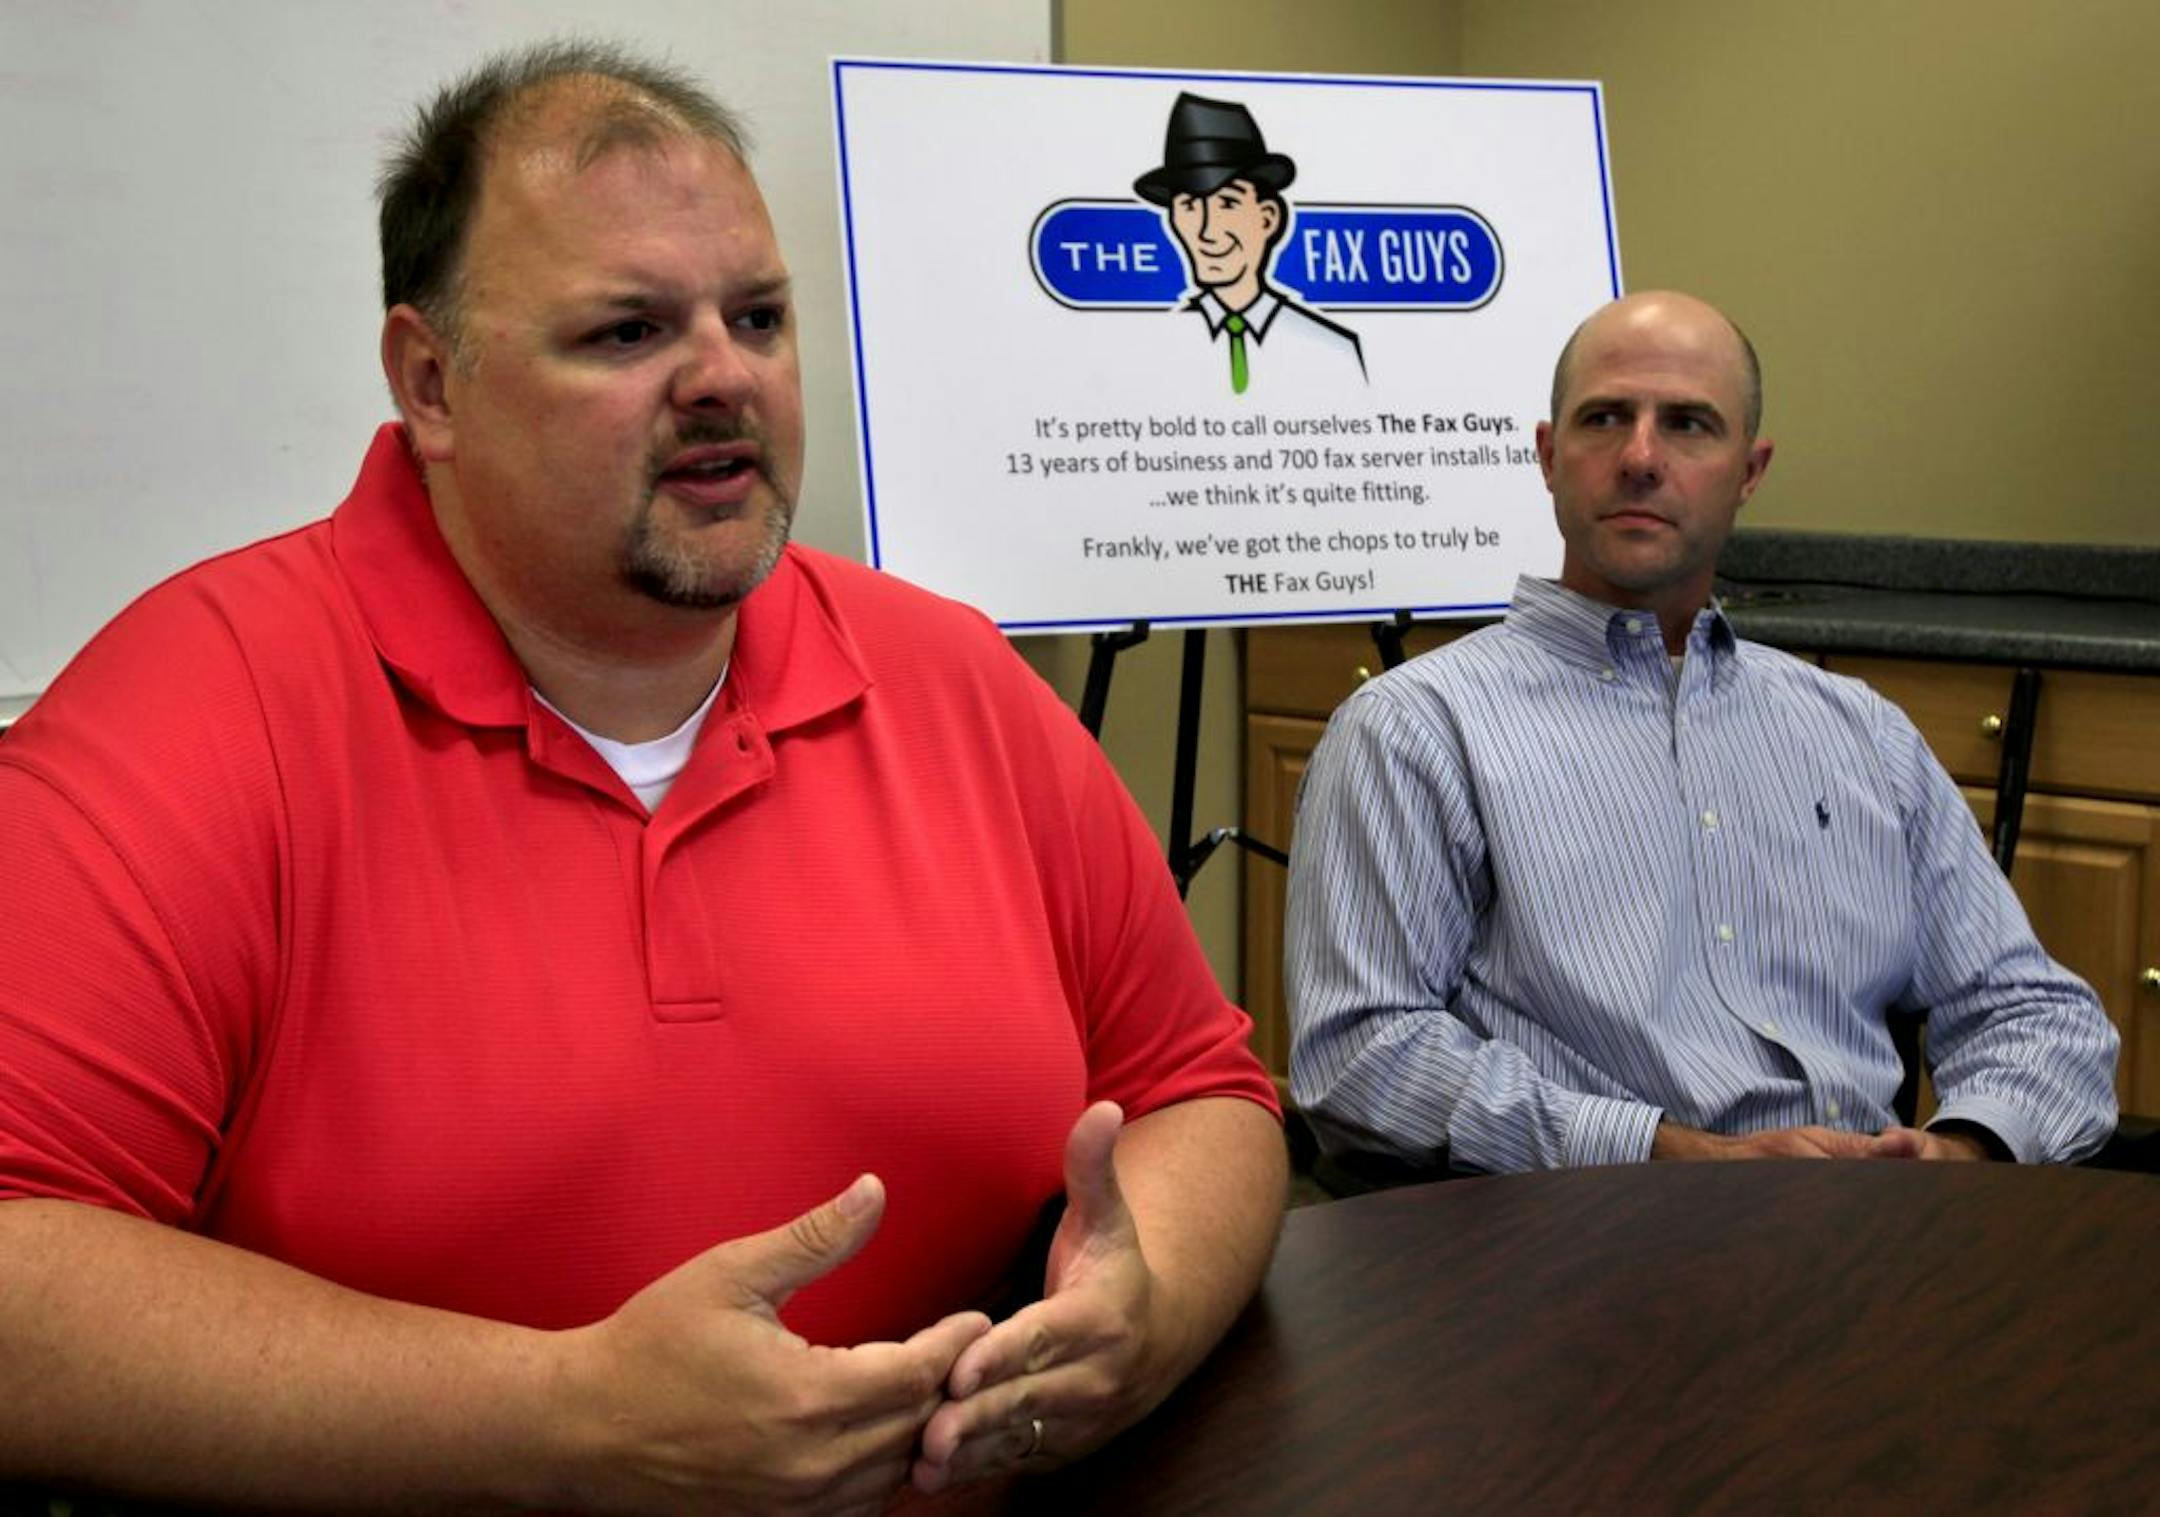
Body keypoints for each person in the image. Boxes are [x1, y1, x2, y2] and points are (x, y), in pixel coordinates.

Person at [0, 41, 1285, 1513]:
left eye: (759, 316)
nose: (723, 375)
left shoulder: (953, 676)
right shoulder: (205, 702)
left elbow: (1201, 1087)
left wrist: (1145, 1315)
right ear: (433, 382)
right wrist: (564, 1421)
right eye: (626, 332)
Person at [1285, 289, 2118, 1176]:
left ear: (1750, 471)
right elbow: (1360, 1058)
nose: (1641, 457)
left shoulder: (1861, 734)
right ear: (1547, 455)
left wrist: (1961, 1153)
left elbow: (2038, 1015)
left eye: (1688, 424)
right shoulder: (1418, 732)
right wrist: (1671, 1156)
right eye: (1604, 418)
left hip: (1873, 1240)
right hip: (1585, 1246)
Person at [1134, 92, 1365, 395]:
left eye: (1227, 204)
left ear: (1267, 218)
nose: (1207, 231)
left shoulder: (1333, 352)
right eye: (1190, 205)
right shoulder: (1148, 355)